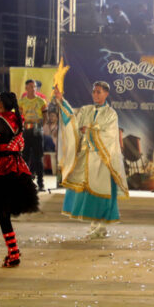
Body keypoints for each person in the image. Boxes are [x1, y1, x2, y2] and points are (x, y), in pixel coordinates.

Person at [55, 81, 129, 238]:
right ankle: (95, 223)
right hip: (87, 157)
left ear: (106, 94)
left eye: (99, 92)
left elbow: (109, 135)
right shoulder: (86, 110)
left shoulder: (111, 114)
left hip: (104, 158)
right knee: (88, 193)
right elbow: (73, 121)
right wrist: (62, 100)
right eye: (94, 92)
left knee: (103, 191)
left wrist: (89, 131)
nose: (96, 94)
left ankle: (102, 226)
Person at [0, 92, 39, 268]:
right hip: (17, 166)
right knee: (3, 211)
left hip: (1, 169)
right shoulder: (17, 119)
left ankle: (14, 252)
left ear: (1, 104)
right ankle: (13, 251)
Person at [20, 79, 47, 191]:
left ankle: (40, 183)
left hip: (37, 132)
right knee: (24, 157)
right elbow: (20, 116)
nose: (33, 88)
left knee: (38, 158)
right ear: (26, 88)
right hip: (26, 131)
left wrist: (40, 127)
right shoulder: (22, 102)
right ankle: (25, 182)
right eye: (31, 86)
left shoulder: (41, 101)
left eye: (35, 86)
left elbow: (45, 117)